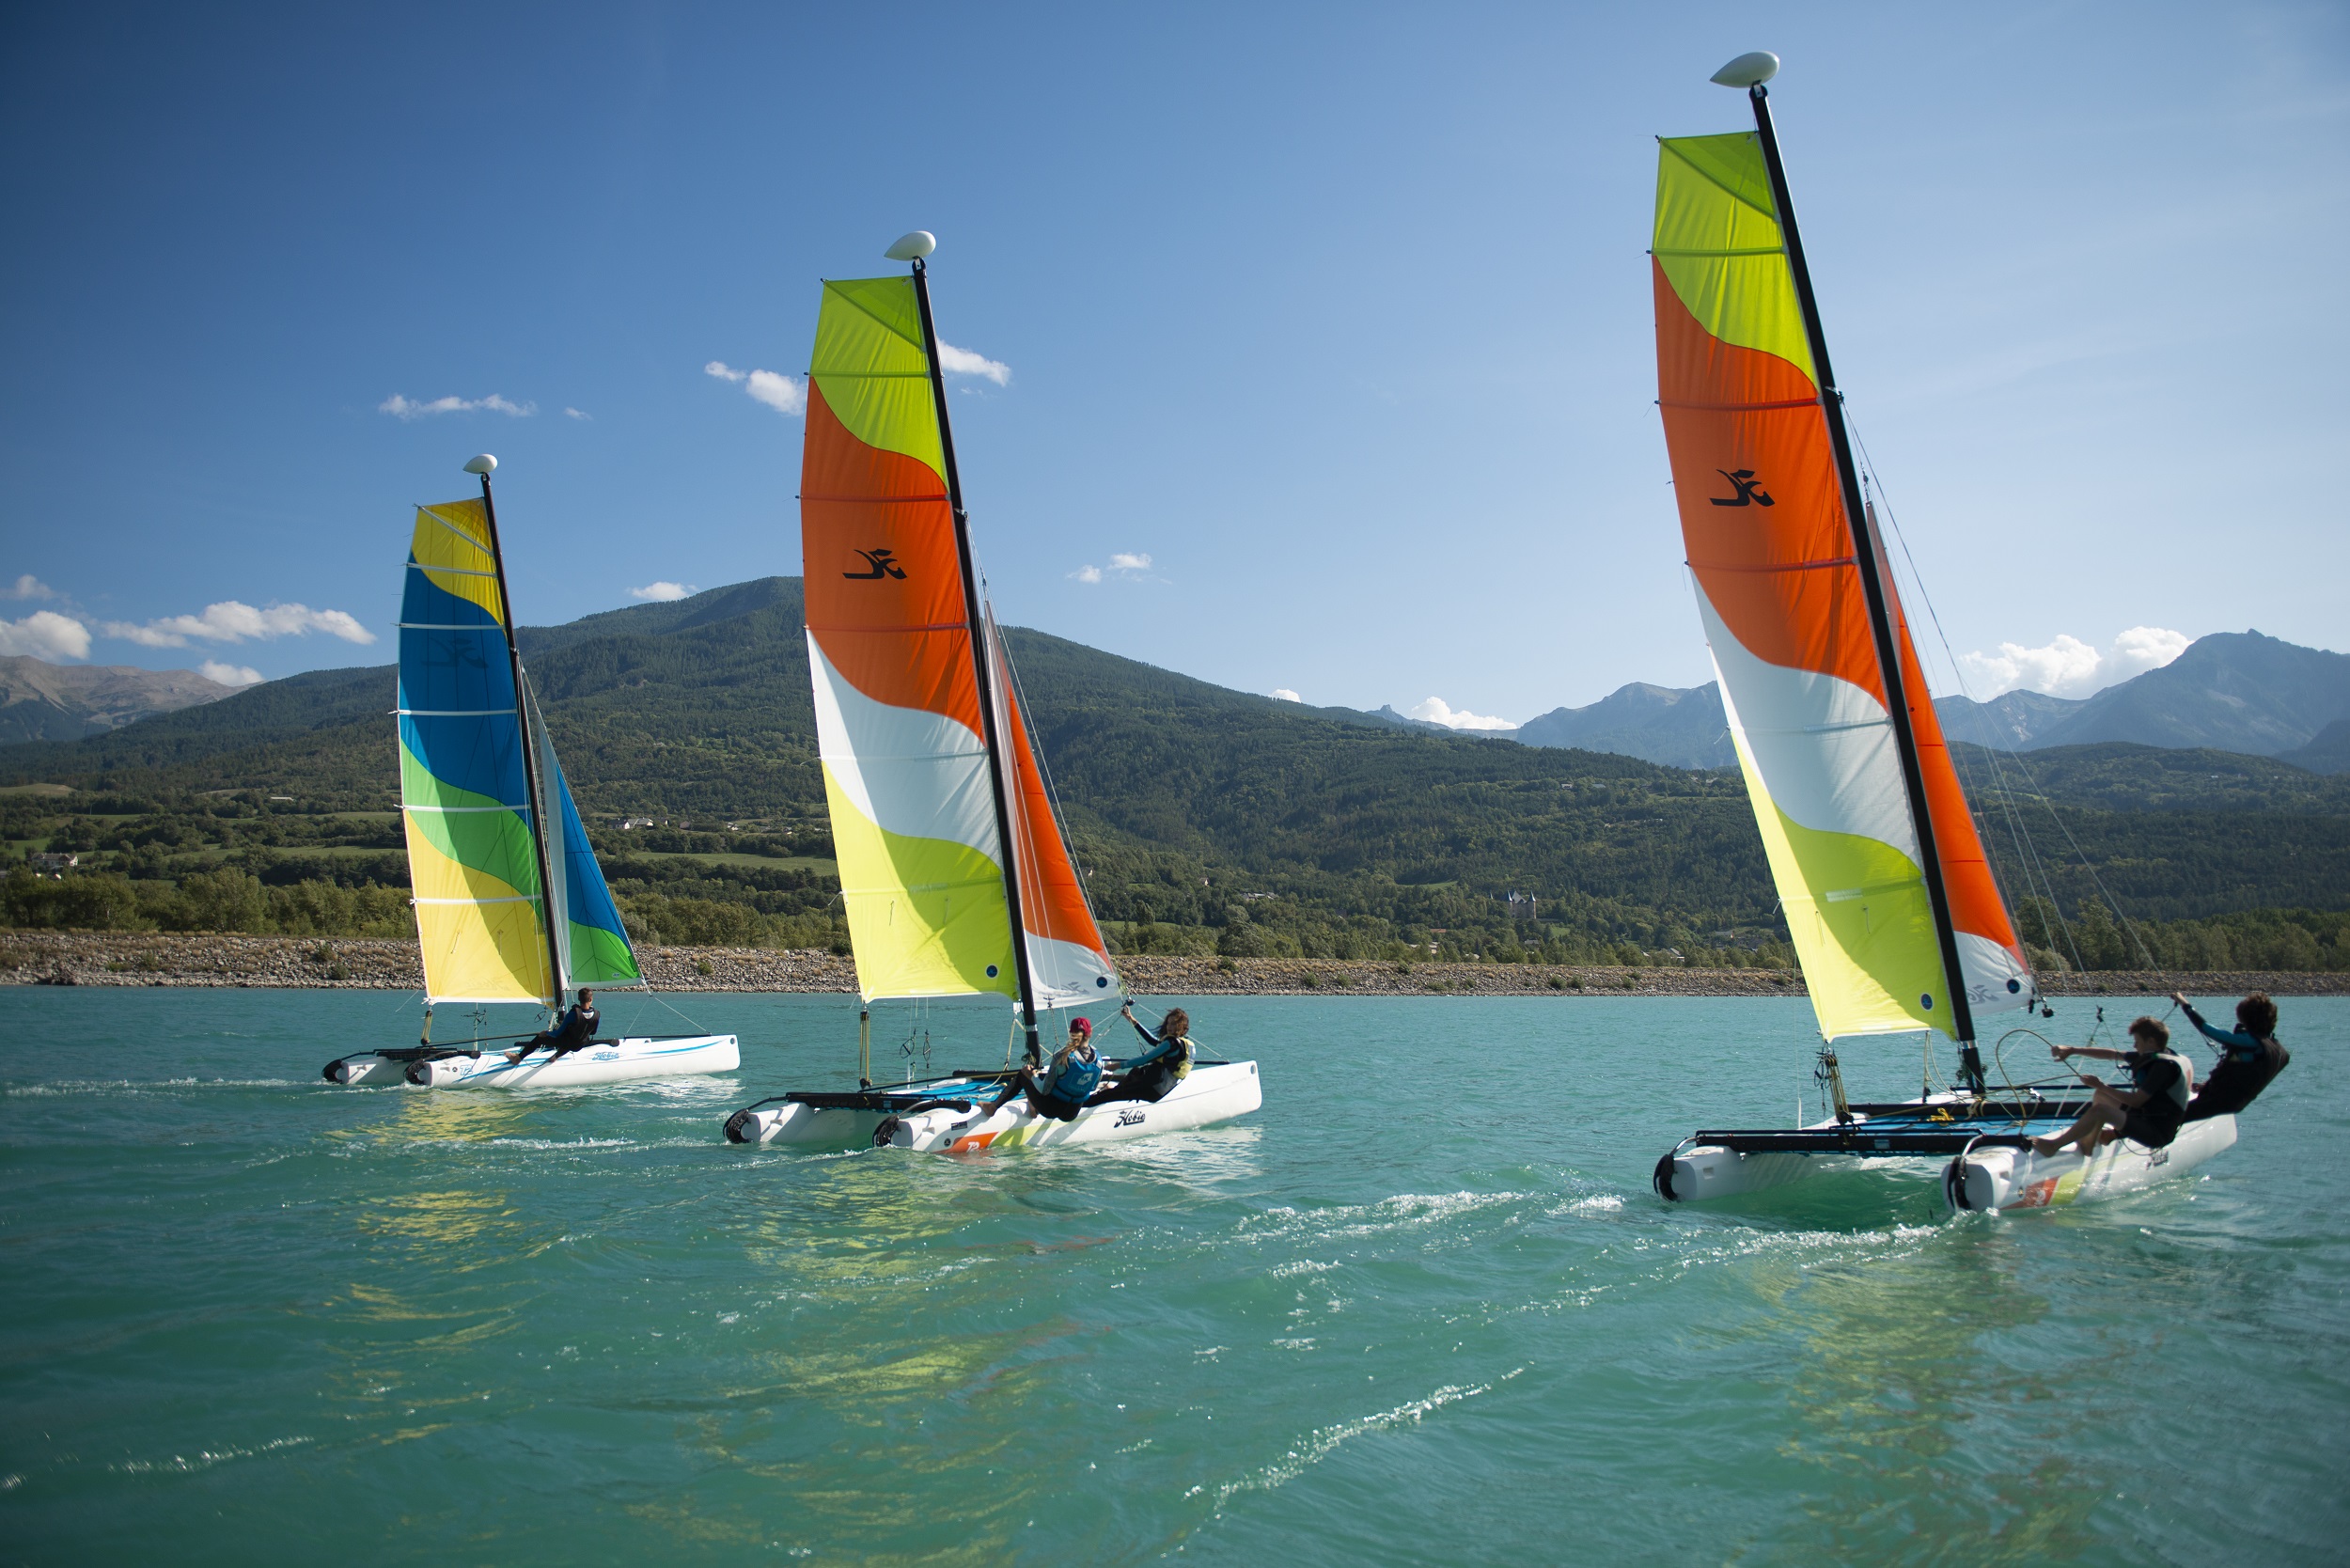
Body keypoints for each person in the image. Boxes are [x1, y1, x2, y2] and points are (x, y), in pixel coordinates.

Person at [2029, 1015, 2192, 1158]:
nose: (2135, 1046)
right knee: (2101, 1096)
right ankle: (2089, 1143)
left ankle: (2053, 1146)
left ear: (2150, 1041)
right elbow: (2110, 1054)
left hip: (2156, 1131)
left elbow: (2136, 1102)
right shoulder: (2159, 1055)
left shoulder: (2162, 1067)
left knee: (2101, 1110)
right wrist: (2073, 1050)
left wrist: (2100, 1085)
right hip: (2145, 1116)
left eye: (2137, 1042)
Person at [2172, 990, 2290, 1121]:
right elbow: (2244, 1074)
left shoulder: (2250, 1043)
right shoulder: (2278, 1049)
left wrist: (2184, 1003)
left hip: (2220, 1101)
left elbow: (2205, 1028)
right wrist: (2206, 1085)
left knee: (2168, 1116)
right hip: (2234, 1101)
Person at [986, 1015, 1102, 1121]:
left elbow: (1044, 1089)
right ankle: (1032, 1104)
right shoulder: (1098, 1061)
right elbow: (1093, 1087)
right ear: (1090, 1033)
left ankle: (993, 1107)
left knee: (1024, 1074)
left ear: (1071, 1033)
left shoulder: (1063, 1057)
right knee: (1043, 1076)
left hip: (1049, 1110)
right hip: (1071, 1114)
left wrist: (1031, 1075)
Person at [1087, 1003, 1195, 1106]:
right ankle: (1115, 1089)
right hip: (1159, 1089)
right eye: (1168, 1023)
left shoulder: (1171, 1043)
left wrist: (1117, 1066)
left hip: (1151, 1087)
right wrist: (1131, 1019)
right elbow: (1152, 1041)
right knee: (1135, 1072)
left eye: (1174, 1024)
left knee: (1107, 1096)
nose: (1169, 1026)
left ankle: (1079, 1105)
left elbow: (1145, 1059)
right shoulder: (1185, 1044)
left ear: (1181, 1026)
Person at [509, 989, 601, 1063]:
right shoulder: (597, 1014)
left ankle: (518, 1059)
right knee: (570, 1035)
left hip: (568, 1043)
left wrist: (546, 1033)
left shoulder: (572, 1015)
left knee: (539, 1038)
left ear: (579, 999)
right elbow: (593, 1032)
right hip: (580, 1045)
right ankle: (555, 1057)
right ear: (590, 999)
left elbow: (557, 1034)